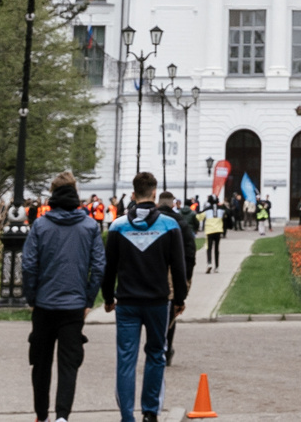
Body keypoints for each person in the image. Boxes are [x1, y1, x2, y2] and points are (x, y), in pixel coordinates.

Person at [102, 171, 193, 422]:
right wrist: (179, 300)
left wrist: (108, 297)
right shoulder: (169, 225)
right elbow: (178, 267)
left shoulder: (118, 226)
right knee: (156, 355)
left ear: (133, 194)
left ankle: (126, 416)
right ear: (154, 193)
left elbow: (109, 267)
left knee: (126, 360)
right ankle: (150, 413)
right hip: (157, 302)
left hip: (127, 302)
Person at [22, 172, 105, 422]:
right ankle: (62, 416)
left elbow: (28, 265)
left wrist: (32, 297)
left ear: (52, 193)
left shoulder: (40, 225)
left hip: (45, 304)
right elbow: (99, 266)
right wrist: (88, 300)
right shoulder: (90, 226)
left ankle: (41, 415)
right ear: (76, 192)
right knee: (69, 364)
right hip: (74, 305)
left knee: (41, 363)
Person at [201, 198, 226, 273]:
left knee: (209, 248)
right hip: (218, 230)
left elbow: (199, 217)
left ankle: (209, 263)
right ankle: (217, 266)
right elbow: (226, 215)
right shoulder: (221, 209)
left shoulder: (207, 210)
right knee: (216, 248)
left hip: (209, 230)